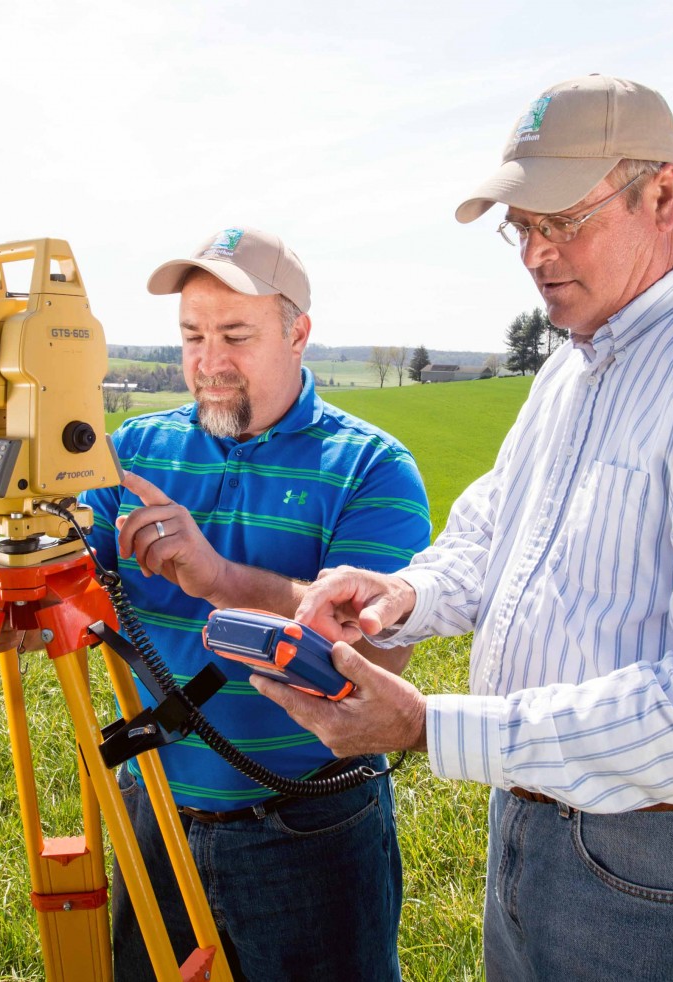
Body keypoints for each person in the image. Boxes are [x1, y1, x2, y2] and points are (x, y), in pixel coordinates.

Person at [254, 76, 673, 981]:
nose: (536, 253)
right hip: (531, 827)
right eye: (523, 228)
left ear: (663, 195)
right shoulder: (575, 368)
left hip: (666, 864)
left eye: (563, 219)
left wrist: (430, 727)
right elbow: (490, 540)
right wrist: (400, 595)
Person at [78, 226, 431, 981]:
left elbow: (380, 653)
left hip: (311, 828)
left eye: (235, 335)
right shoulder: (132, 453)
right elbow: (78, 594)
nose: (208, 363)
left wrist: (220, 580)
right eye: (193, 336)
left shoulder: (372, 467)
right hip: (156, 822)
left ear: (297, 333)